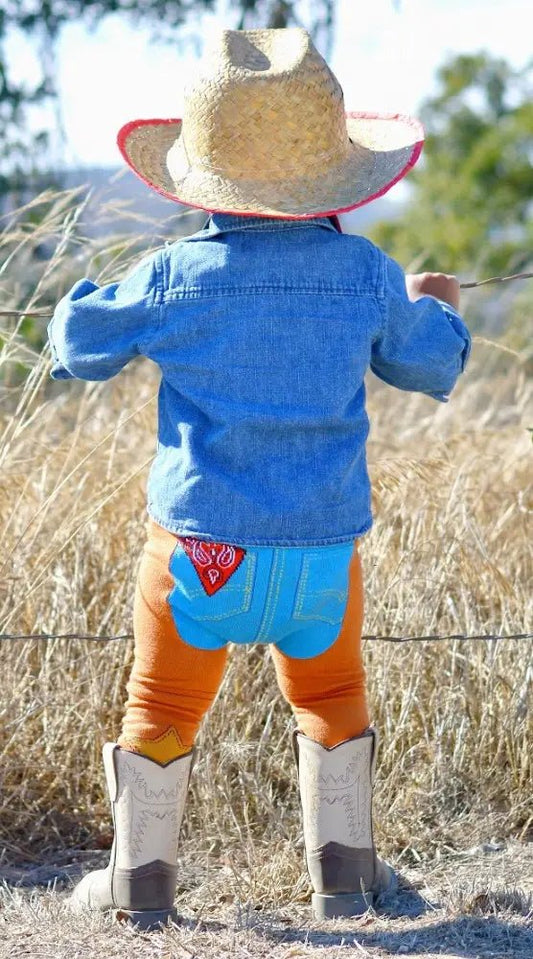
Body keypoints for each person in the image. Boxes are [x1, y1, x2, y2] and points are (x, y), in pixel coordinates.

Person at [48, 28, 471, 929]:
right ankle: (346, 883)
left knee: (160, 704)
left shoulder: (174, 275)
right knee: (331, 696)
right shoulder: (363, 272)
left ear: (202, 178)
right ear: (335, 176)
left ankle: (140, 884)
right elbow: (430, 367)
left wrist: (76, 298)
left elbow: (79, 348)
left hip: (199, 554)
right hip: (320, 555)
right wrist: (435, 305)